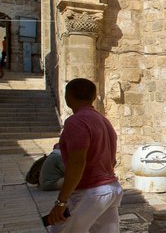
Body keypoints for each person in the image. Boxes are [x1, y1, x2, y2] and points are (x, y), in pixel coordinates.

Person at [45, 78, 122, 232]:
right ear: (93, 97)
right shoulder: (103, 121)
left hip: (91, 191)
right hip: (111, 188)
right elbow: (111, 160)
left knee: (62, 230)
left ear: (68, 96)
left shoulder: (76, 121)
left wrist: (61, 202)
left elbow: (77, 162)